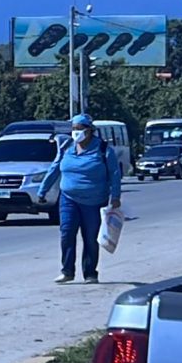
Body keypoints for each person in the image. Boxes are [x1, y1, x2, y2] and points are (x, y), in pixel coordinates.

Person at [37, 114, 122, 284]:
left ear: (90, 130)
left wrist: (115, 196)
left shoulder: (103, 149)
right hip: (68, 199)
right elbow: (55, 168)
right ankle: (67, 271)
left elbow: (114, 173)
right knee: (67, 233)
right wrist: (42, 190)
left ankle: (90, 273)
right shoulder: (67, 146)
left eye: (80, 128)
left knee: (90, 237)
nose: (76, 132)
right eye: (74, 129)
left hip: (94, 200)